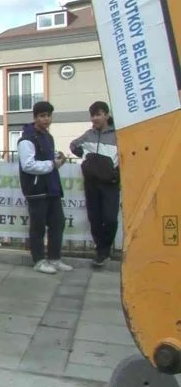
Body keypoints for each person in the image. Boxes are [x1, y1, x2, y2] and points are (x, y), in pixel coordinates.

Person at [17, 101, 72, 275]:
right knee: (38, 226)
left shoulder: (48, 137)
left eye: (48, 115)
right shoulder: (26, 139)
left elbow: (48, 158)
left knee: (58, 223)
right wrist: (51, 164)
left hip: (52, 188)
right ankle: (39, 260)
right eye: (42, 116)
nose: (46, 119)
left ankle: (54, 259)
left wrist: (58, 158)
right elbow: (28, 165)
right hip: (36, 190)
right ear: (35, 117)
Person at [70, 101, 119, 267]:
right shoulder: (88, 134)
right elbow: (73, 145)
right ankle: (101, 252)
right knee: (95, 218)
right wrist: (85, 157)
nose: (95, 118)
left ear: (106, 115)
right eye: (93, 115)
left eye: (99, 114)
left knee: (111, 219)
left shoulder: (117, 134)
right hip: (92, 183)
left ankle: (105, 249)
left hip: (110, 183)